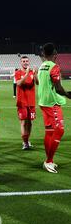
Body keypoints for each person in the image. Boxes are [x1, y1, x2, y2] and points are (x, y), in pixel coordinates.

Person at [37, 43, 71, 174]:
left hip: (43, 102)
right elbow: (57, 87)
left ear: (44, 54)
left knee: (50, 132)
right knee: (60, 130)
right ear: (55, 54)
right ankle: (49, 161)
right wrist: (68, 95)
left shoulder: (42, 66)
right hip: (52, 103)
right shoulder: (54, 67)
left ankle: (48, 160)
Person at [15, 55, 38, 150]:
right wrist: (27, 73)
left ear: (29, 62)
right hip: (22, 102)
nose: (25, 62)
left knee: (30, 123)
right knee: (23, 122)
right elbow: (19, 83)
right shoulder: (18, 72)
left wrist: (35, 74)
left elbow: (37, 83)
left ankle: (27, 140)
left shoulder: (32, 72)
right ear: (21, 62)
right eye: (23, 61)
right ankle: (24, 143)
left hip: (31, 102)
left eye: (26, 61)